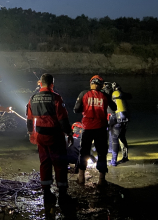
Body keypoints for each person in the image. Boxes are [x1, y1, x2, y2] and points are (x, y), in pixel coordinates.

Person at [26, 73, 74, 210]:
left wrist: (31, 133)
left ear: (40, 83)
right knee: (60, 164)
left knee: (45, 163)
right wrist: (69, 133)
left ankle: (47, 193)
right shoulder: (56, 97)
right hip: (55, 136)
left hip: (40, 136)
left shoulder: (33, 98)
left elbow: (29, 119)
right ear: (52, 84)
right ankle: (62, 195)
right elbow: (62, 118)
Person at [73, 75, 116, 186]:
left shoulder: (83, 94)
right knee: (102, 153)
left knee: (84, 152)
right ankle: (101, 180)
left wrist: (86, 107)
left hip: (87, 128)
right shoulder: (105, 95)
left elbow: (76, 109)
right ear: (101, 85)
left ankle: (81, 178)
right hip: (101, 128)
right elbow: (114, 108)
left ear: (91, 84)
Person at [104, 82, 132, 166]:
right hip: (125, 117)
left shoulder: (108, 95)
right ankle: (125, 156)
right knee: (122, 137)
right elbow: (130, 96)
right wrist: (119, 89)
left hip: (115, 118)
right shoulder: (118, 94)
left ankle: (113, 161)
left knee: (114, 138)